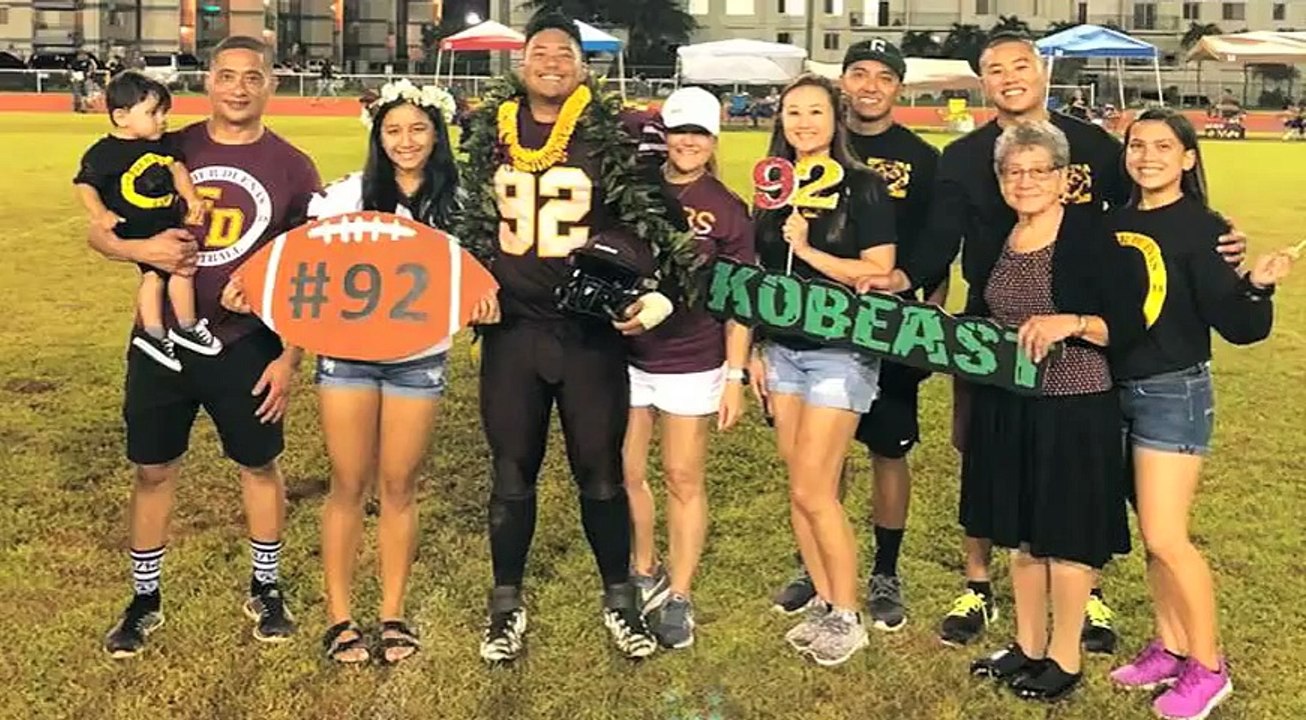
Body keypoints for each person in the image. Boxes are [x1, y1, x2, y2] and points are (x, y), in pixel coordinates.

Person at [855, 31, 1246, 653]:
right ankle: (977, 584)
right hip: (991, 331)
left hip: (1079, 337)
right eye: (994, 68)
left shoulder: (1093, 147)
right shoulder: (962, 159)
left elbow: (1145, 211)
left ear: (1042, 71)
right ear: (983, 80)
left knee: (1076, 464)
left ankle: (1085, 593)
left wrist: (1214, 236)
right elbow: (939, 241)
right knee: (983, 452)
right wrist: (902, 276)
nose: (1009, 77)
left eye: (1020, 64)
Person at [453, 10, 696, 663]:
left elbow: (665, 227)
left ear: (583, 65)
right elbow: (465, 225)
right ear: (521, 61)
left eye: (565, 51)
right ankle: (505, 604)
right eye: (540, 50)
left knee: (601, 473)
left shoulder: (613, 134)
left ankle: (619, 598)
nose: (552, 60)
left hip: (588, 333)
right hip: (511, 329)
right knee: (510, 474)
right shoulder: (489, 133)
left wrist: (657, 295)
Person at [89, 35, 321, 659]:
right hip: (162, 339)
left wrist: (289, 356)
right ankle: (144, 597)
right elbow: (101, 233)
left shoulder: (294, 167)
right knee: (152, 468)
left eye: (252, 76)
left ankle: (266, 587)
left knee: (258, 465)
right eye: (226, 75)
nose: (239, 87)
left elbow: (307, 270)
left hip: (247, 343)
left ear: (271, 83)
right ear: (208, 81)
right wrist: (140, 251)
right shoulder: (169, 146)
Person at [1106, 108, 1293, 720]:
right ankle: (1170, 645)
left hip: (1173, 393)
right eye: (1138, 145)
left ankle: (1208, 668)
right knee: (1150, 540)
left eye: (1165, 146)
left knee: (1167, 535)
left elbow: (1237, 326)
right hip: (1116, 391)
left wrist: (1257, 284)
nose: (1149, 155)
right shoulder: (1114, 221)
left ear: (1189, 159)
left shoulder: (1204, 228)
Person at [769, 38, 945, 635]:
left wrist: (918, 307)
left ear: (898, 86)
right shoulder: (780, 176)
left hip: (875, 330)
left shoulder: (914, 160)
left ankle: (882, 574)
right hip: (793, 345)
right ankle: (819, 573)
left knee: (887, 449)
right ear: (843, 84)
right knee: (813, 476)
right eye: (858, 74)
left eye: (883, 76)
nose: (870, 85)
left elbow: (935, 246)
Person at [964, 121, 1143, 702]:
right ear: (1000, 180)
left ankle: (1064, 657)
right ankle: (1028, 645)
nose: (1026, 181)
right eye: (1013, 171)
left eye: (1039, 170)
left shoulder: (1092, 237)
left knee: (1065, 539)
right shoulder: (995, 236)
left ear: (1064, 179)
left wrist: (1075, 323)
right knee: (1020, 535)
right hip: (1008, 404)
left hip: (1074, 404)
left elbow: (1130, 326)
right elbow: (978, 313)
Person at [307, 79, 463, 665]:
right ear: (378, 135)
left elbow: (473, 274)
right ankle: (340, 615)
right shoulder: (347, 195)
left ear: (437, 134)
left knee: (399, 486)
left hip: (417, 359)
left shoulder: (459, 200)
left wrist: (483, 300)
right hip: (346, 355)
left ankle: (392, 611)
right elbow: (310, 262)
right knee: (348, 483)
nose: (406, 141)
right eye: (393, 130)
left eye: (418, 129)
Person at [746, 73, 897, 667]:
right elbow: (758, 279)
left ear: (837, 119)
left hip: (841, 349)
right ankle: (825, 600)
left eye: (815, 112)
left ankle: (847, 612)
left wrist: (809, 250)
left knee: (815, 484)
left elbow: (880, 272)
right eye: (792, 113)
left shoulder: (864, 187)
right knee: (802, 488)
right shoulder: (772, 190)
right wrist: (755, 347)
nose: (803, 123)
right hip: (783, 349)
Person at [624, 86, 755, 649]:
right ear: (666, 134)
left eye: (699, 133)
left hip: (691, 359)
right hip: (627, 356)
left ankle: (679, 593)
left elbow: (741, 300)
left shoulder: (727, 208)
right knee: (626, 471)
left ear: (714, 139)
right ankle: (642, 567)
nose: (688, 143)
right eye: (680, 131)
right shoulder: (637, 193)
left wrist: (735, 375)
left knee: (681, 476)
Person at [75, 71, 220, 374]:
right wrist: (100, 214)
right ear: (121, 116)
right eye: (153, 113)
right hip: (137, 228)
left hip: (168, 222)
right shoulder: (104, 153)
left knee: (182, 268)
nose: (163, 119)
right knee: (156, 277)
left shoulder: (164, 144)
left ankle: (183, 326)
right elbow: (85, 184)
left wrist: (192, 198)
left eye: (165, 112)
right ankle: (158, 333)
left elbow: (178, 170)